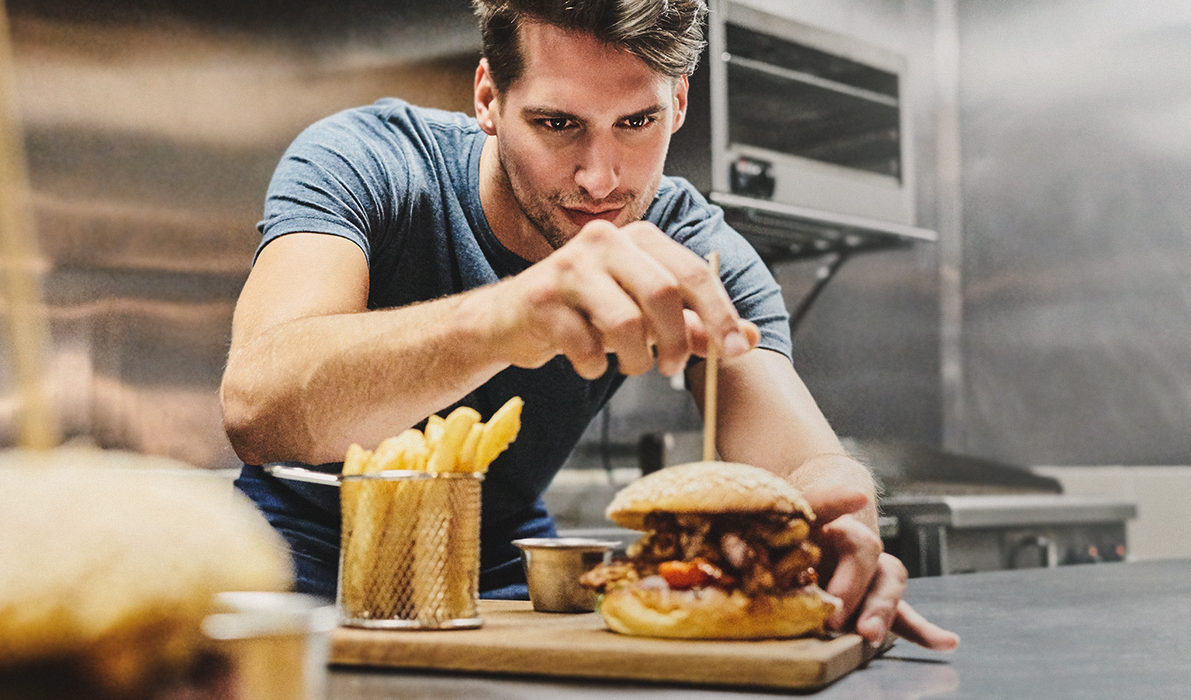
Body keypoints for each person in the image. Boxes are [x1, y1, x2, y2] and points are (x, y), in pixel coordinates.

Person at [221, 0, 958, 651]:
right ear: (488, 97)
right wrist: (505, 318)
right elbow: (257, 405)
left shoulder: (697, 253)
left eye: (636, 122)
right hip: (288, 569)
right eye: (557, 124)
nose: (600, 179)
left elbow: (802, 466)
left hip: (508, 581)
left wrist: (842, 517)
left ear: (679, 102)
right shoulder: (368, 161)